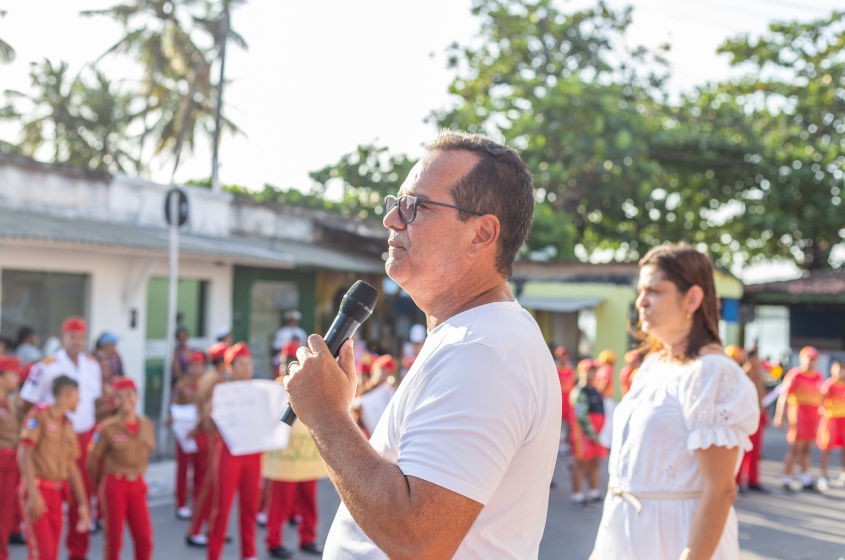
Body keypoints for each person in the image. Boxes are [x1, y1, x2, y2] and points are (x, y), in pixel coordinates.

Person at [284, 131, 560, 559]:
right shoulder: (475, 337)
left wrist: (325, 415)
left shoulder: (482, 351)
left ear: (482, 234)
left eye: (417, 206)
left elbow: (419, 540)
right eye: (396, 203)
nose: (393, 219)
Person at [590, 243, 759, 560]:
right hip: (625, 538)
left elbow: (721, 490)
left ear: (692, 299)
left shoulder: (714, 373)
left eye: (654, 290)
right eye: (641, 291)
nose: (641, 301)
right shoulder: (653, 365)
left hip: (675, 540)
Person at [19, 317, 102, 560]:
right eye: (72, 336)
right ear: (62, 338)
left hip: (83, 436)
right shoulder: (46, 366)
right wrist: (40, 433)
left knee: (82, 493)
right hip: (50, 438)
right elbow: (26, 403)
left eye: (81, 337)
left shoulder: (93, 365)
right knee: (45, 495)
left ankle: (78, 552)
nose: (77, 342)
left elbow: (93, 403)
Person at [18, 375, 90, 560]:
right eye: (77, 395)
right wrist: (33, 493)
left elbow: (72, 467)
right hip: (38, 490)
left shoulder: (67, 424)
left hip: (56, 494)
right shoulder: (39, 415)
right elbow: (25, 451)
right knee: (42, 553)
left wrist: (83, 505)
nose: (79, 400)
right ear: (68, 393)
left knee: (51, 554)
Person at [205, 342, 261, 560]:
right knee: (222, 509)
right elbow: (210, 426)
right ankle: (213, 555)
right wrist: (211, 413)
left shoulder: (258, 390)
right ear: (230, 367)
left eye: (249, 363)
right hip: (229, 453)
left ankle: (249, 554)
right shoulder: (221, 389)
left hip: (253, 453)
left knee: (250, 509)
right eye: (242, 364)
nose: (247, 368)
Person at [88, 378, 155, 560]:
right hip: (115, 484)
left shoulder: (147, 424)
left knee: (144, 538)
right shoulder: (106, 428)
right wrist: (102, 483)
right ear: (114, 400)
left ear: (137, 397)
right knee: (114, 540)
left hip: (138, 484)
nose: (126, 399)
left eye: (129, 394)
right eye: (120, 396)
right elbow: (92, 461)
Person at [184, 342, 229, 547]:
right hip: (210, 435)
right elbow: (209, 411)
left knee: (208, 484)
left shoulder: (207, 377)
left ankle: (210, 528)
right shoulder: (217, 381)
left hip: (204, 433)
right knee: (208, 485)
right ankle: (195, 530)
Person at [774, 346, 823, 491]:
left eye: (813, 360)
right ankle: (786, 479)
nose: (810, 362)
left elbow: (819, 398)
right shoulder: (795, 374)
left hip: (812, 417)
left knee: (807, 449)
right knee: (795, 449)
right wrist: (779, 416)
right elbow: (783, 396)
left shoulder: (817, 376)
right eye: (808, 359)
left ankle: (805, 478)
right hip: (799, 415)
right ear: (802, 359)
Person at [173, 350, 205, 519]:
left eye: (199, 365)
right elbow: (174, 405)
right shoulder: (181, 384)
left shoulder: (208, 383)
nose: (196, 369)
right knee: (183, 469)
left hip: (200, 432)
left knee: (201, 469)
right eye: (192, 365)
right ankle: (181, 502)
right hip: (184, 433)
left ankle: (198, 501)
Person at [569, 359, 606, 506]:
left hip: (597, 434)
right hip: (583, 434)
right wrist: (592, 434)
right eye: (588, 370)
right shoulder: (579, 391)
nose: (591, 373)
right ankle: (577, 495)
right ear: (581, 372)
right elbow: (581, 415)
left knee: (594, 462)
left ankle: (593, 491)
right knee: (581, 463)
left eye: (593, 370)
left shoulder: (595, 390)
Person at [736, 349, 768, 492]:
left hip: (758, 416)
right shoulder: (742, 375)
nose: (759, 361)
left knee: (755, 451)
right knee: (742, 450)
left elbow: (761, 398)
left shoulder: (759, 376)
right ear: (750, 359)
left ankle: (752, 480)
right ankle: (736, 481)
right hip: (745, 416)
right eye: (757, 358)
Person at [0, 356, 21, 560]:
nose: (17, 378)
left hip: (12, 463)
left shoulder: (10, 402)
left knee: (6, 517)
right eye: (13, 374)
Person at [353, 354, 398, 437]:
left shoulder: (389, 390)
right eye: (382, 370)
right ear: (375, 370)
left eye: (388, 373)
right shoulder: (363, 391)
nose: (383, 376)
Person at [816, 360, 845, 491]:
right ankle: (823, 476)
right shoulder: (828, 385)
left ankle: (843, 474)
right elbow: (821, 401)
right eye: (838, 369)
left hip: (843, 419)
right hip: (831, 419)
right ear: (832, 370)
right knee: (826, 448)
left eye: (842, 369)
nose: (840, 372)